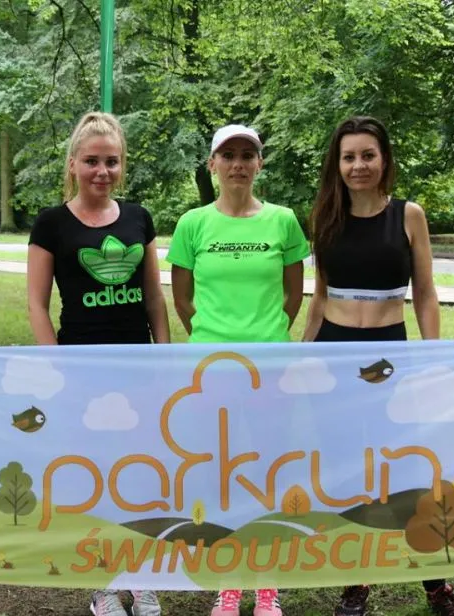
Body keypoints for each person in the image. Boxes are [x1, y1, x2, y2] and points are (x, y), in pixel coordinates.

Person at [303, 116, 454, 616]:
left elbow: (426, 293)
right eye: (349, 157)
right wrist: (302, 355)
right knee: (347, 471)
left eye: (367, 155)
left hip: (389, 355)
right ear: (337, 164)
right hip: (333, 354)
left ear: (384, 159)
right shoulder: (325, 217)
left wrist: (433, 355)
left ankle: (436, 585)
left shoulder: (408, 215)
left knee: (407, 468)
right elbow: (319, 298)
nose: (358, 165)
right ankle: (356, 582)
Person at [27, 111, 169, 615]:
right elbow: (37, 304)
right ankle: (104, 583)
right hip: (81, 372)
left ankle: (144, 578)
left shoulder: (138, 218)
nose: (102, 171)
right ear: (73, 164)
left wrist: (164, 357)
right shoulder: (51, 223)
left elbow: (154, 297)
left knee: (142, 475)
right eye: (91, 161)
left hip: (138, 371)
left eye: (111, 161)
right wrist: (57, 367)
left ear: (122, 165)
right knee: (95, 477)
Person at [167, 124, 309, 615]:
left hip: (271, 368)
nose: (238, 164)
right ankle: (229, 582)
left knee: (267, 470)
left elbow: (294, 294)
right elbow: (182, 299)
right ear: (212, 164)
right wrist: (215, 340)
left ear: (259, 164)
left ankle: (266, 584)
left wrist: (266, 337)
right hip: (210, 370)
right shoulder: (192, 224)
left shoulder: (283, 221)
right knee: (221, 472)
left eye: (248, 155)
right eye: (228, 155)